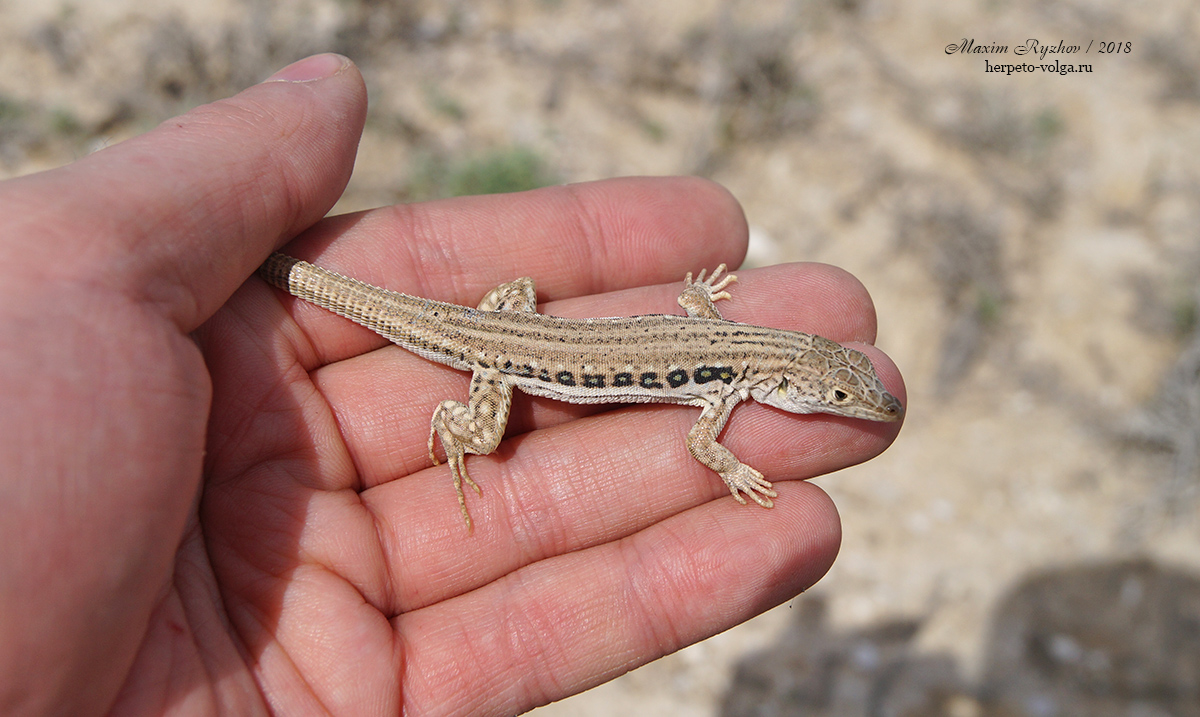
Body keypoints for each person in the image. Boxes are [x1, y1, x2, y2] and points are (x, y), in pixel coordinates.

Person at [0, 54, 903, 715]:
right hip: (502, 356)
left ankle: (426, 343)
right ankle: (452, 421)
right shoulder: (730, 381)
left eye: (836, 396)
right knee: (486, 432)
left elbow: (700, 333)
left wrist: (696, 300)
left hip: (507, 319)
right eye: (833, 394)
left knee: (511, 305)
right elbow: (703, 438)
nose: (838, 400)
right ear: (785, 379)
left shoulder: (730, 344)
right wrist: (732, 469)